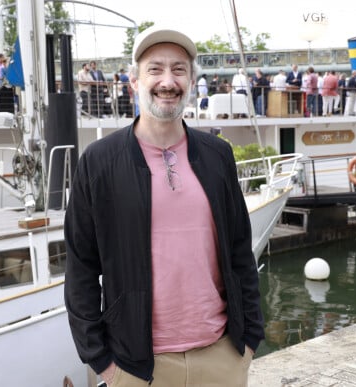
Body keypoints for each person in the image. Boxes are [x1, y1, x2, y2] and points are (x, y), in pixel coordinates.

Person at [64, 25, 264, 387]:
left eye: (179, 69)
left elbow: (239, 252)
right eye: (155, 69)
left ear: (190, 79)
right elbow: (80, 268)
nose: (167, 81)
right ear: (134, 81)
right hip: (137, 368)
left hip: (222, 356)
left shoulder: (217, 156)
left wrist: (249, 340)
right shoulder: (99, 163)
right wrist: (102, 362)